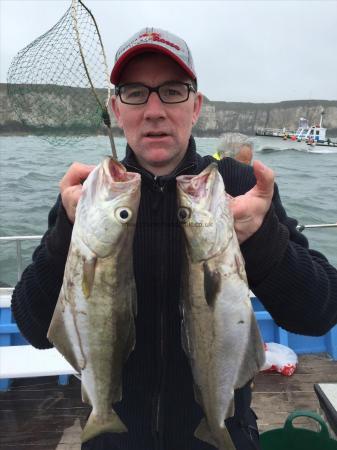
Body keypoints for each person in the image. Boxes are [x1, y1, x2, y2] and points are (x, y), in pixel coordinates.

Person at [12, 27, 337, 450]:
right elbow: (33, 326)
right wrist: (66, 234)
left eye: (172, 91)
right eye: (134, 92)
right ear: (115, 107)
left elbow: (319, 313)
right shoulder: (92, 196)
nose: (153, 110)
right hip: (116, 440)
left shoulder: (238, 187)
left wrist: (262, 240)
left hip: (223, 436)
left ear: (196, 105)